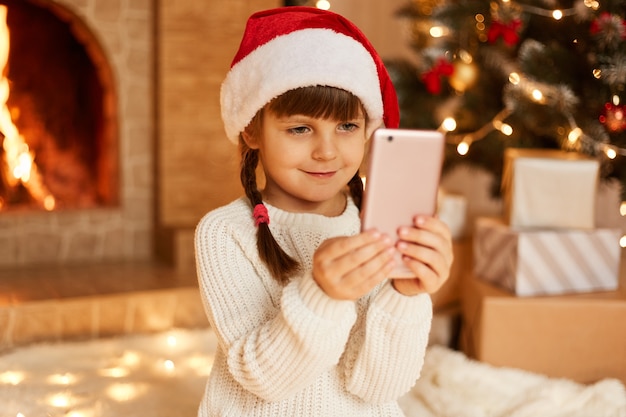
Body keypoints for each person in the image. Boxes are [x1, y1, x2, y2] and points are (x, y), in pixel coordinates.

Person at [194, 6, 453, 416]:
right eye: (300, 128)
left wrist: (407, 293)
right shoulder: (224, 233)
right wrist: (323, 294)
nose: (327, 151)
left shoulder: (378, 224)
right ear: (252, 129)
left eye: (347, 127)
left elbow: (380, 386)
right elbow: (263, 378)